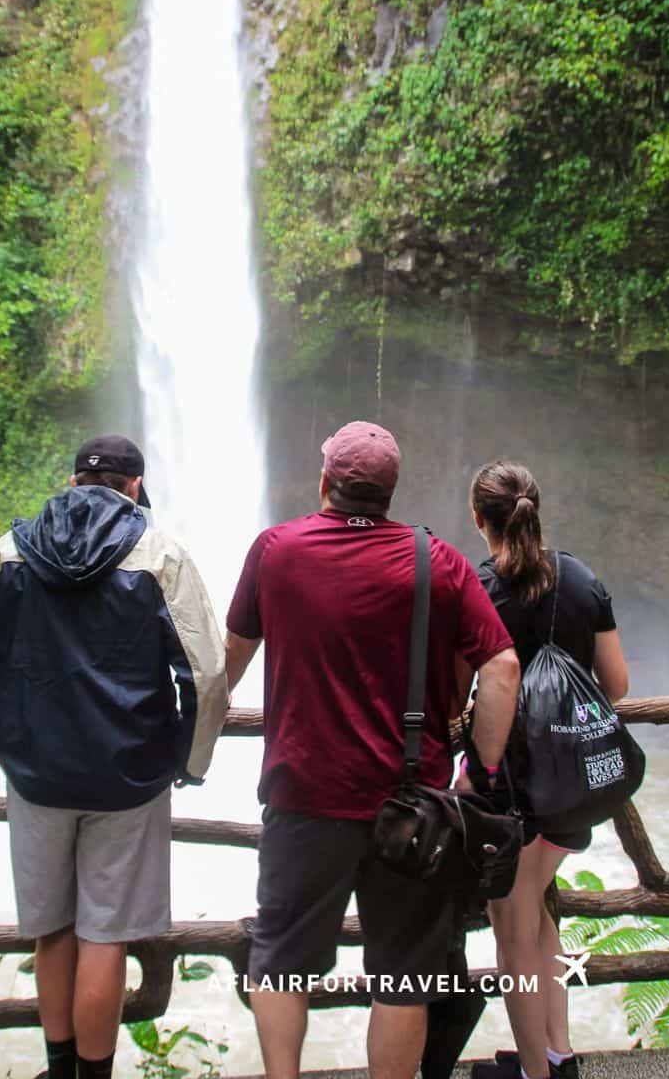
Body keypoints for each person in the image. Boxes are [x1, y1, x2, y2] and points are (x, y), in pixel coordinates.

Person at [225, 421, 521, 1079]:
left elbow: (228, 663)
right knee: (403, 978)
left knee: (278, 961)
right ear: (389, 492)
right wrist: (482, 771)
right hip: (412, 808)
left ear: (325, 482)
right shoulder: (435, 559)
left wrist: (186, 742)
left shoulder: (275, 551)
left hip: (303, 796)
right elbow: (502, 667)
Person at [0, 434, 228, 1079]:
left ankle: (57, 1066)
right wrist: (189, 760)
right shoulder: (161, 553)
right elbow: (205, 676)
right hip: (130, 779)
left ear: (70, 483)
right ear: (134, 488)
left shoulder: (10, 550)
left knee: (53, 932)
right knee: (105, 936)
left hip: (36, 776)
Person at [466, 460, 629, 1079]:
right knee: (537, 912)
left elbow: (464, 694)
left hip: (510, 792)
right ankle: (559, 1049)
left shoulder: (479, 589)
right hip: (575, 787)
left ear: (478, 518)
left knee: (512, 928)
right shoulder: (582, 578)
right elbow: (615, 683)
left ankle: (536, 1071)